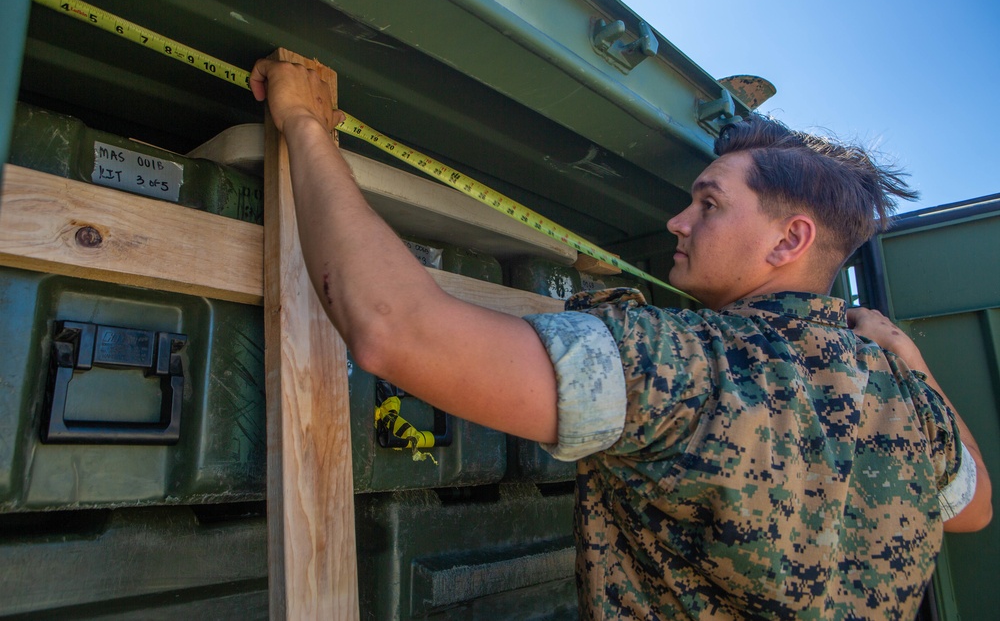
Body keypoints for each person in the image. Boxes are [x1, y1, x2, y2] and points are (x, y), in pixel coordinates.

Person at [249, 59, 991, 620]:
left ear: (788, 239)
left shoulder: (689, 364)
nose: (678, 221)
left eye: (708, 203)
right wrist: (910, 358)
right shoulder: (905, 391)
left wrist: (305, 124)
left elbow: (392, 329)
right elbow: (976, 507)